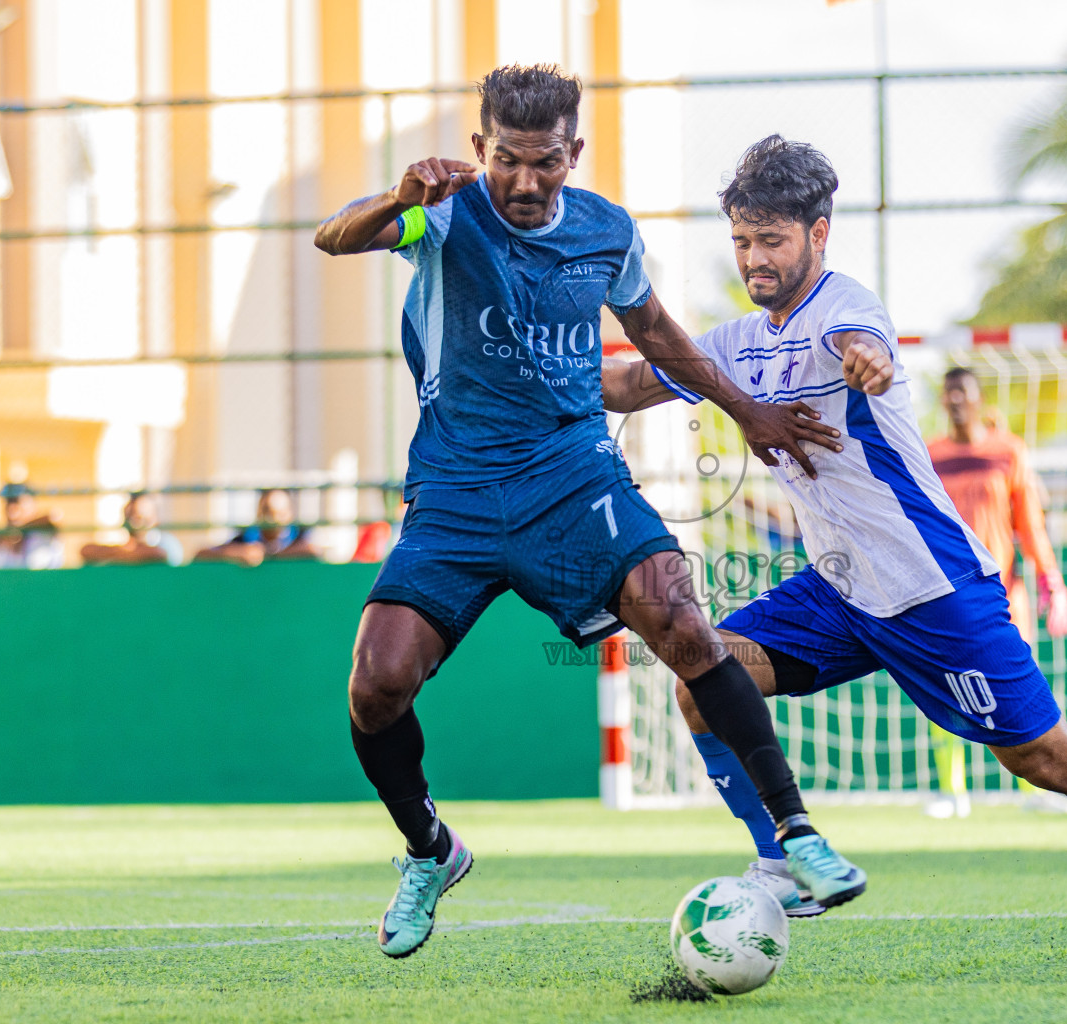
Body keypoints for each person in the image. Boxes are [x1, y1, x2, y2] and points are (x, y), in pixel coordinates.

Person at [602, 134, 1067, 973]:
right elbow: (625, 385)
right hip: (839, 591)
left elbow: (858, 343)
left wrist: (868, 363)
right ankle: (781, 859)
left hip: (932, 586)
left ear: (819, 231)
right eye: (741, 241)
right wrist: (530, 372)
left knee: (1046, 757)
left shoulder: (849, 306)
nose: (755, 259)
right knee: (704, 674)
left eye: (772, 240)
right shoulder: (733, 343)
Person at [312, 66, 864, 958]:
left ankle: (796, 835)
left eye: (545, 164)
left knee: (685, 625)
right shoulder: (442, 213)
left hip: (574, 480)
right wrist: (394, 196)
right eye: (508, 162)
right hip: (453, 494)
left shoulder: (607, 230)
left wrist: (744, 407)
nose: (526, 183)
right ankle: (430, 852)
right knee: (376, 685)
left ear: (574, 153)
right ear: (482, 148)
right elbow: (334, 240)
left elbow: (656, 335)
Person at [924, 367, 1067, 817]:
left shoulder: (1010, 452)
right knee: (944, 688)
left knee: (1020, 689)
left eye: (962, 394)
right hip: (946, 595)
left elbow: (1030, 525)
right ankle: (953, 793)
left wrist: (1053, 584)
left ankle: (1037, 792)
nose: (955, 401)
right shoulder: (929, 454)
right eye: (948, 394)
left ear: (978, 399)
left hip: (1005, 594)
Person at [193, 488, 319, 566]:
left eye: (280, 513)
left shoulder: (299, 536)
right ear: (259, 513)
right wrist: (239, 553)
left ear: (290, 515)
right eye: (268, 511)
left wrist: (270, 557)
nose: (273, 519)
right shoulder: (246, 538)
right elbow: (201, 553)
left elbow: (313, 550)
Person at [80, 491, 184, 566]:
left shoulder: (167, 543)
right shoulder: (119, 546)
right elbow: (86, 550)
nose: (134, 521)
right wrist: (124, 553)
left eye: (140, 516)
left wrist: (129, 555)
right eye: (130, 515)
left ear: (154, 517)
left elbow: (159, 554)